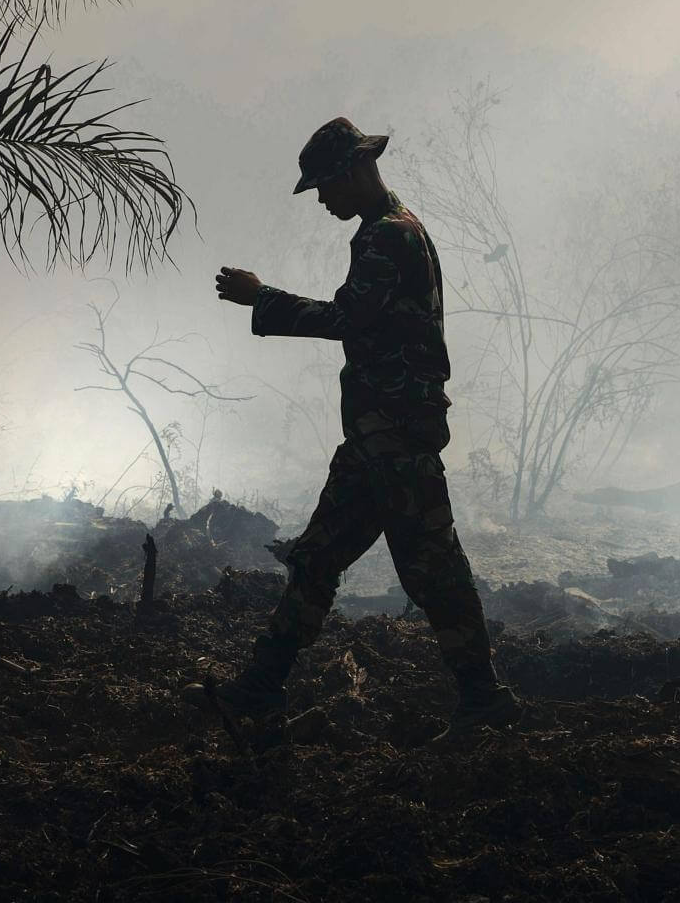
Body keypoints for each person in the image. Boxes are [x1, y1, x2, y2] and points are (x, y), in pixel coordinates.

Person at [182, 117, 522, 739]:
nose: (321, 199)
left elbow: (346, 319)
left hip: (394, 438)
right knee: (320, 558)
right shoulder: (388, 230)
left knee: (431, 571)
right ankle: (260, 688)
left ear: (354, 171)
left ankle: (483, 698)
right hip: (379, 437)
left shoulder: (388, 237)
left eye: (324, 185)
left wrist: (262, 298)